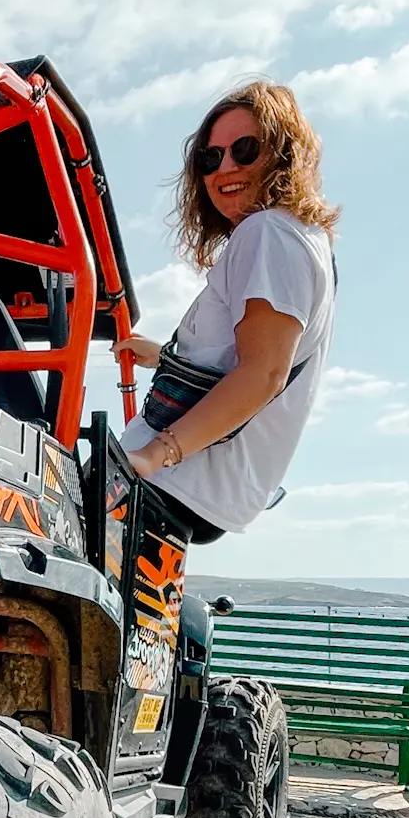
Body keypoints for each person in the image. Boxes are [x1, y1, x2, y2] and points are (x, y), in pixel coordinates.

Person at [113, 79, 338, 544]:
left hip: (175, 481)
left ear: (282, 154)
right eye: (210, 158)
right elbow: (247, 355)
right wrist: (164, 356)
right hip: (205, 488)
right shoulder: (303, 240)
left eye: (245, 149)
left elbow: (263, 374)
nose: (225, 168)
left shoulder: (269, 233)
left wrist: (156, 454)